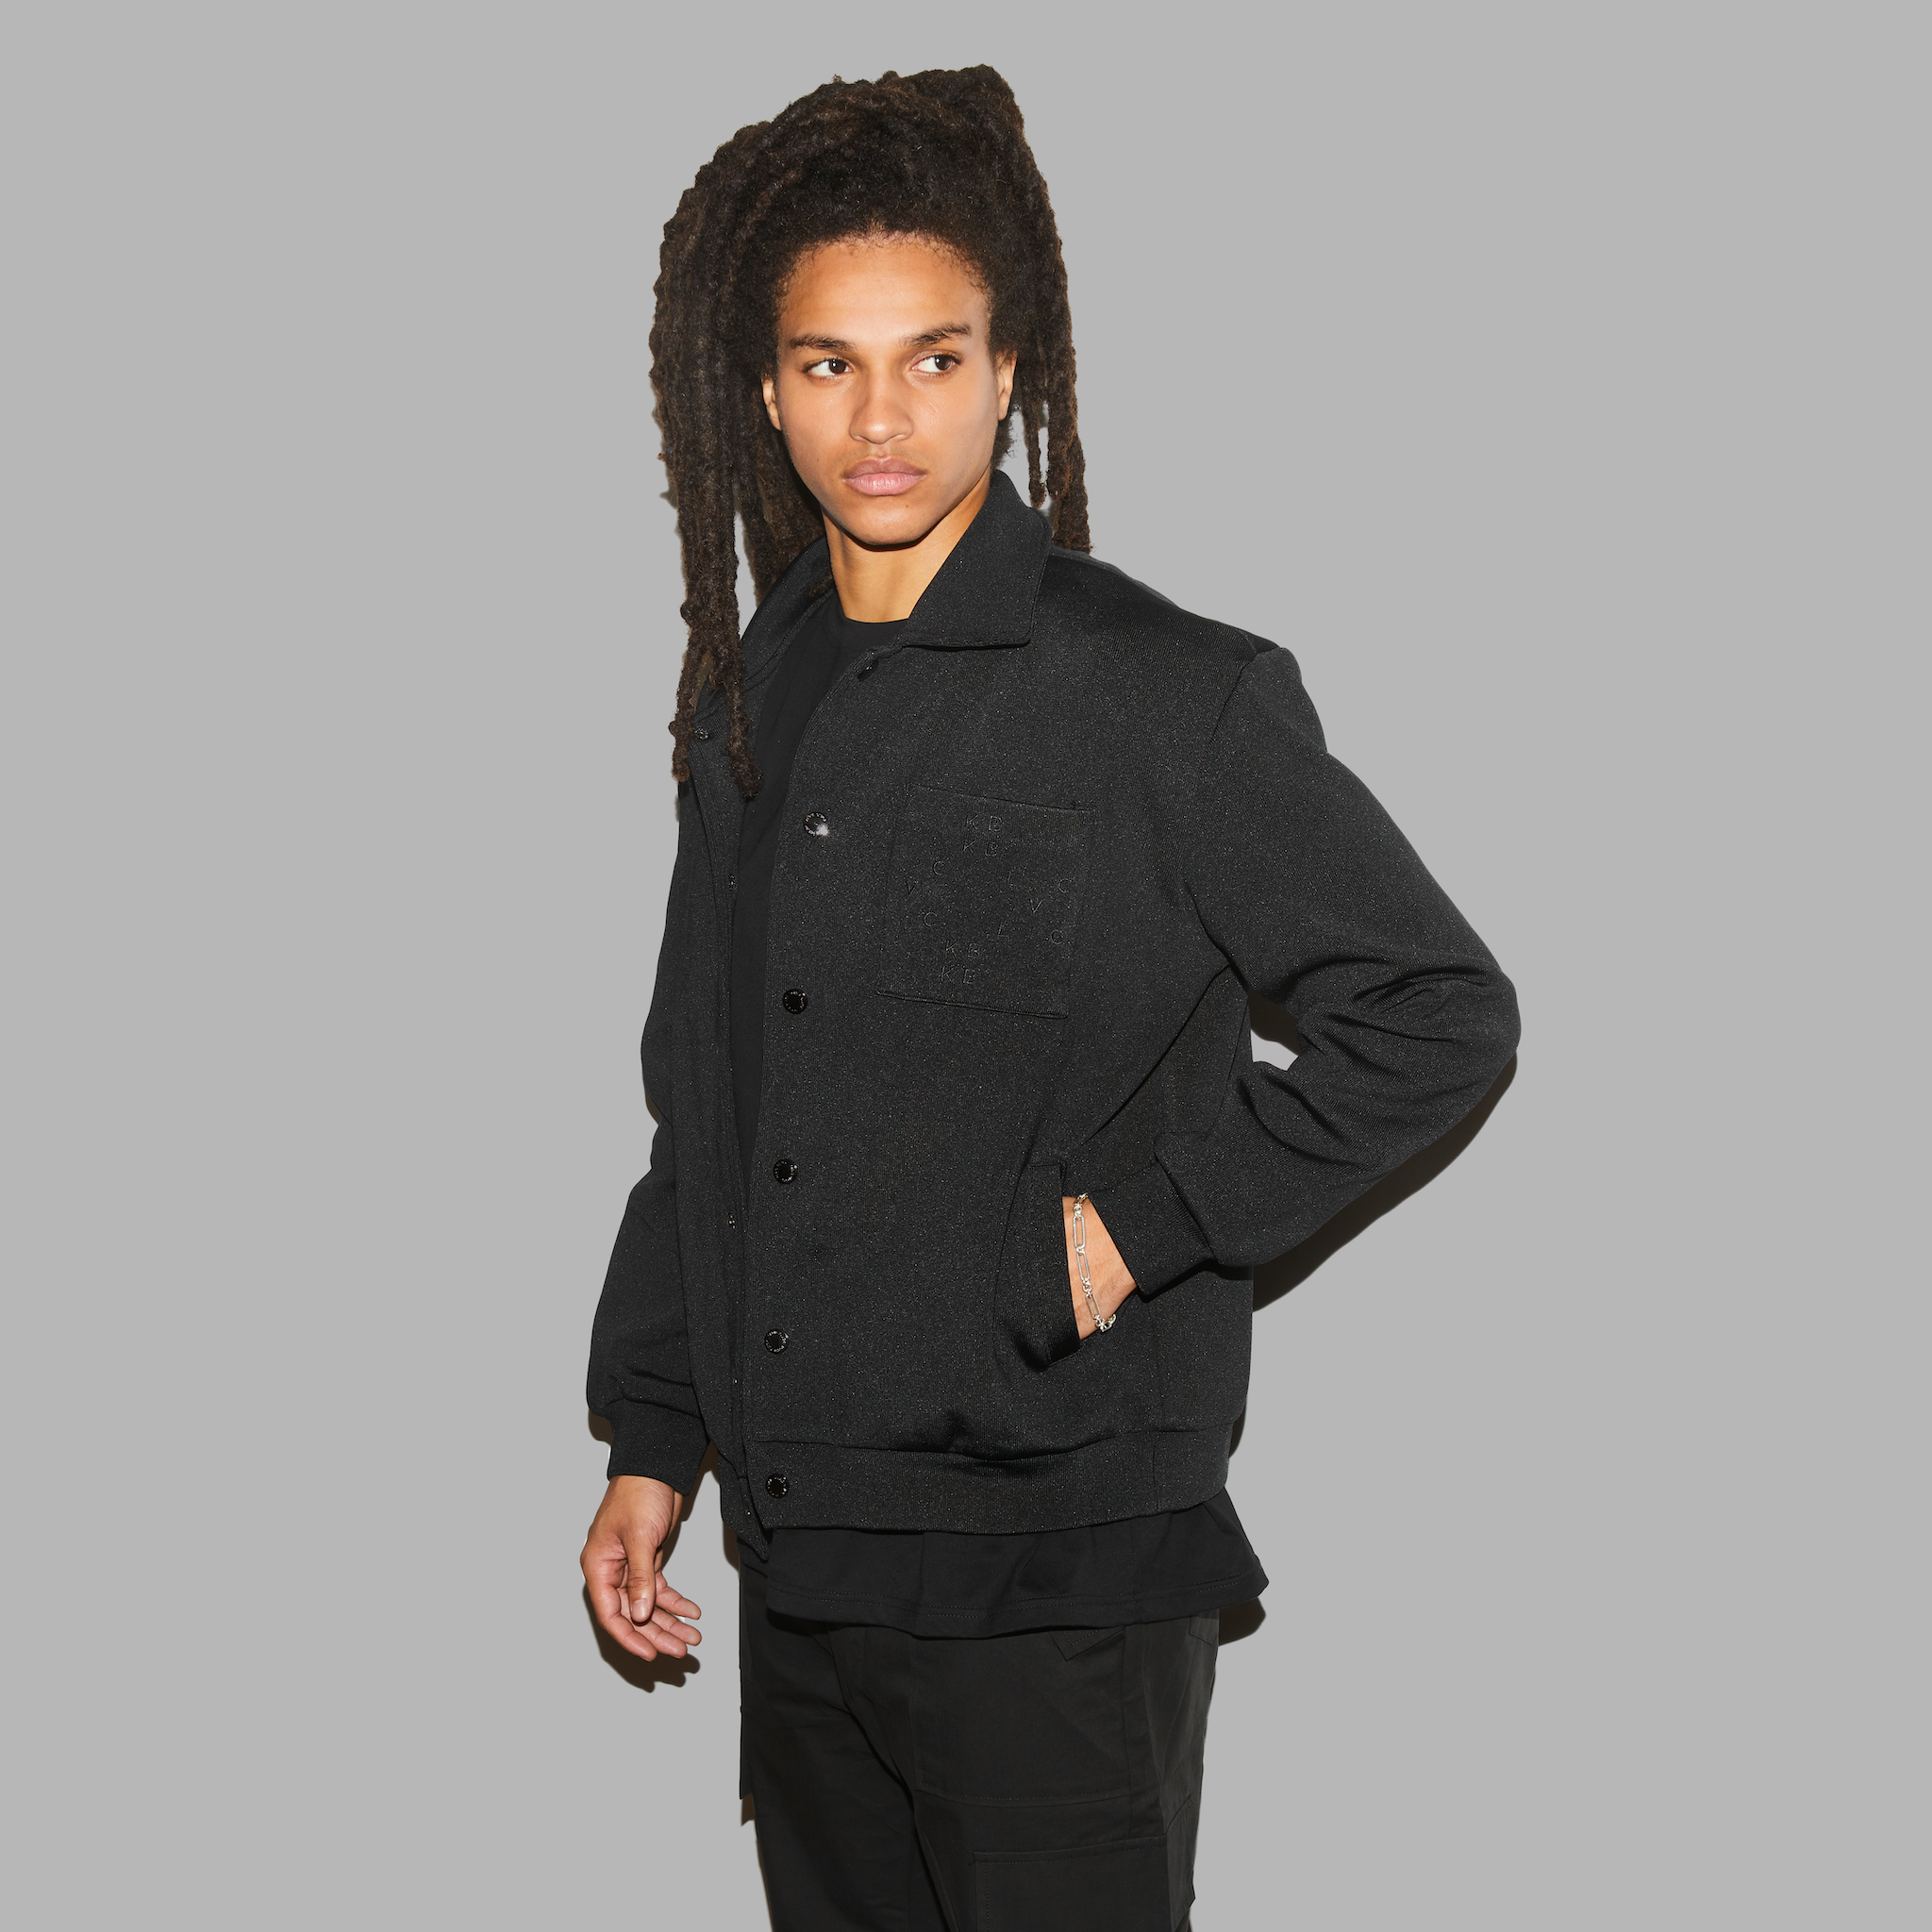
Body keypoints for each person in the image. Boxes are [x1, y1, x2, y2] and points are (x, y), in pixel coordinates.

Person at [580, 66, 1519, 1932]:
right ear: (765, 393)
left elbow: (1436, 1011)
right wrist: (654, 1435)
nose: (883, 417)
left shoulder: (1163, 695)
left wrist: (1133, 1230)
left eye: (933, 360)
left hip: (1060, 1572)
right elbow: (713, 1102)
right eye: (831, 364)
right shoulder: (749, 704)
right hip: (809, 1561)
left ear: (1007, 373)